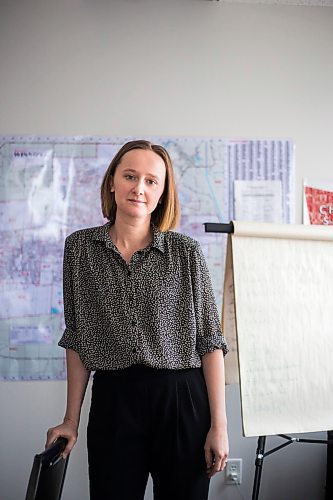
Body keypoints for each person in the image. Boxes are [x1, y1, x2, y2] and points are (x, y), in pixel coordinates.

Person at [46, 139, 229, 500]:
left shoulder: (185, 252)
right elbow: (79, 338)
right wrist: (71, 419)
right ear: (112, 181)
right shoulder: (80, 249)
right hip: (115, 399)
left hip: (182, 399)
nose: (139, 188)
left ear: (162, 194)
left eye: (151, 181)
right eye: (130, 176)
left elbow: (210, 341)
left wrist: (219, 426)